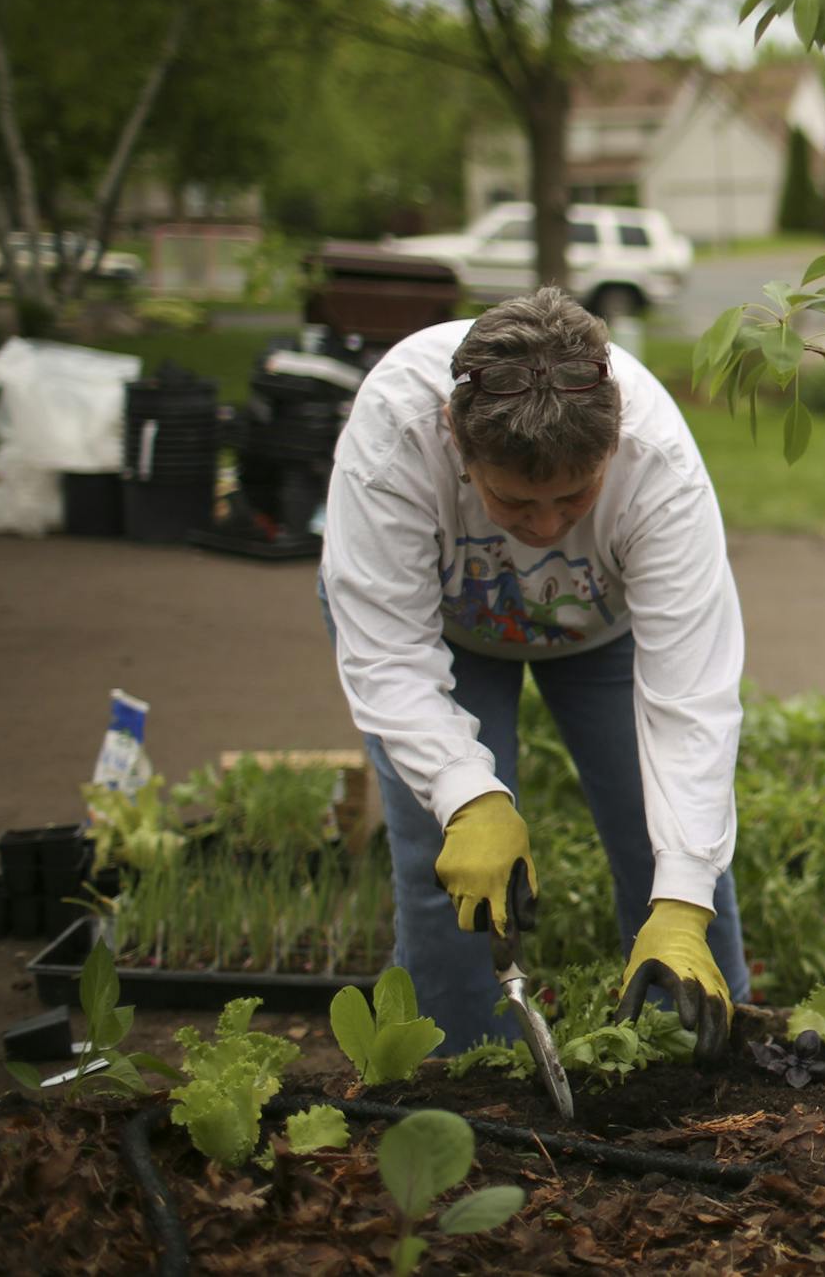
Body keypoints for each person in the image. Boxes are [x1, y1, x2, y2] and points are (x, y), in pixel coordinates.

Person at [319, 287, 748, 1056]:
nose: (547, 526)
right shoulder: (397, 434)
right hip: (447, 633)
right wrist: (467, 795)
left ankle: (703, 1067)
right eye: (516, 501)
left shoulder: (659, 465)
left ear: (613, 443)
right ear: (457, 438)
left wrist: (682, 900)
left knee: (673, 856)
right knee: (445, 868)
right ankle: (460, 1080)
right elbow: (388, 651)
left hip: (602, 632)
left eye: (574, 495)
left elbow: (693, 699)